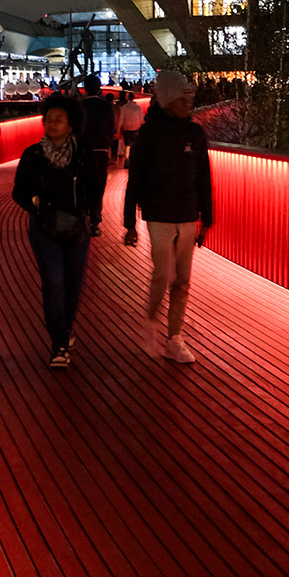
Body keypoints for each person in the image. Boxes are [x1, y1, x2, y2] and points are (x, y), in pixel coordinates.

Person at [122, 71, 212, 364]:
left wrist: (206, 219)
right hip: (158, 213)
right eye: (184, 97)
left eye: (191, 97)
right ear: (169, 99)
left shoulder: (195, 135)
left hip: (188, 214)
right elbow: (135, 178)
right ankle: (149, 321)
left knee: (183, 281)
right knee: (163, 274)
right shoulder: (149, 135)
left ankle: (175, 337)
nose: (190, 102)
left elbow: (203, 177)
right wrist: (129, 222)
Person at [12, 93, 101, 366]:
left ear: (71, 124)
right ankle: (59, 344)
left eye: (58, 120)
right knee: (54, 284)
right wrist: (35, 203)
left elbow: (96, 187)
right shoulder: (33, 155)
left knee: (73, 285)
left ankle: (65, 328)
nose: (51, 124)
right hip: (44, 227)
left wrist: (91, 215)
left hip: (76, 227)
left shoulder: (84, 154)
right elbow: (18, 192)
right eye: (48, 119)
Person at [79, 74, 115, 235]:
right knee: (98, 185)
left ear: (85, 89)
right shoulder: (106, 107)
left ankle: (83, 215)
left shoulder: (79, 106)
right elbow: (111, 129)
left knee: (83, 184)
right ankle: (95, 220)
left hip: (82, 151)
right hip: (100, 150)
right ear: (99, 88)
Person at [118, 91, 144, 168]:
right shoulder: (138, 108)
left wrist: (119, 128)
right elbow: (141, 119)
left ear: (127, 97)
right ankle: (134, 160)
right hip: (136, 128)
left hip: (127, 128)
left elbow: (121, 119)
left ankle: (127, 160)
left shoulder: (125, 107)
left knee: (127, 145)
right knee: (134, 145)